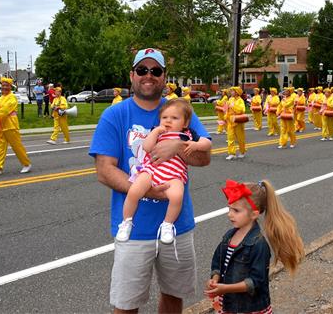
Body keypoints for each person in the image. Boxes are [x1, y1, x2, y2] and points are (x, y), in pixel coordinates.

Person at [89, 48, 211, 313]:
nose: (149, 76)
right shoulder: (115, 115)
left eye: (155, 71)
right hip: (133, 230)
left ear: (164, 77)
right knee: (126, 304)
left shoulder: (178, 111)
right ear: (132, 75)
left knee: (173, 296)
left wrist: (177, 147)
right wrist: (149, 190)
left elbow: (204, 158)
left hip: (177, 227)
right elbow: (104, 170)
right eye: (142, 70)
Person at [116, 98, 211, 243]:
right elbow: (147, 147)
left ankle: (167, 224)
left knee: (177, 196)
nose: (168, 121)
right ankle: (126, 222)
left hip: (174, 175)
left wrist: (195, 144)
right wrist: (155, 133)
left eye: (174, 118)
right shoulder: (157, 132)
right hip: (152, 170)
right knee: (134, 191)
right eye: (164, 118)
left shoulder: (187, 135)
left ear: (185, 123)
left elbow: (207, 143)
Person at [205, 179, 304, 314]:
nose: (230, 214)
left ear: (254, 214)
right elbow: (218, 262)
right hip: (229, 302)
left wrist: (225, 288)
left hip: (250, 308)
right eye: (229, 208)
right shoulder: (228, 236)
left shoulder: (259, 245)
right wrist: (215, 279)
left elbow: (255, 281)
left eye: (236, 210)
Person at [0, 77, 31, 176]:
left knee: (16, 146)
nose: (4, 87)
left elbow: (5, 110)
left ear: (10, 87)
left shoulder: (12, 97)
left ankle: (26, 164)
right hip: (0, 124)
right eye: (3, 85)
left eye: (7, 85)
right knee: (0, 147)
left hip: (10, 125)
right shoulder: (0, 98)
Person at [225, 86, 247, 160]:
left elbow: (242, 110)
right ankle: (231, 153)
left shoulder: (240, 100)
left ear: (237, 92)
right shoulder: (230, 99)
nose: (231, 92)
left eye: (232, 91)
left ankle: (242, 152)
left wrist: (234, 106)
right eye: (231, 91)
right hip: (230, 121)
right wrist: (226, 117)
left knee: (240, 138)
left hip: (238, 121)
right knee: (230, 137)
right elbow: (227, 109)